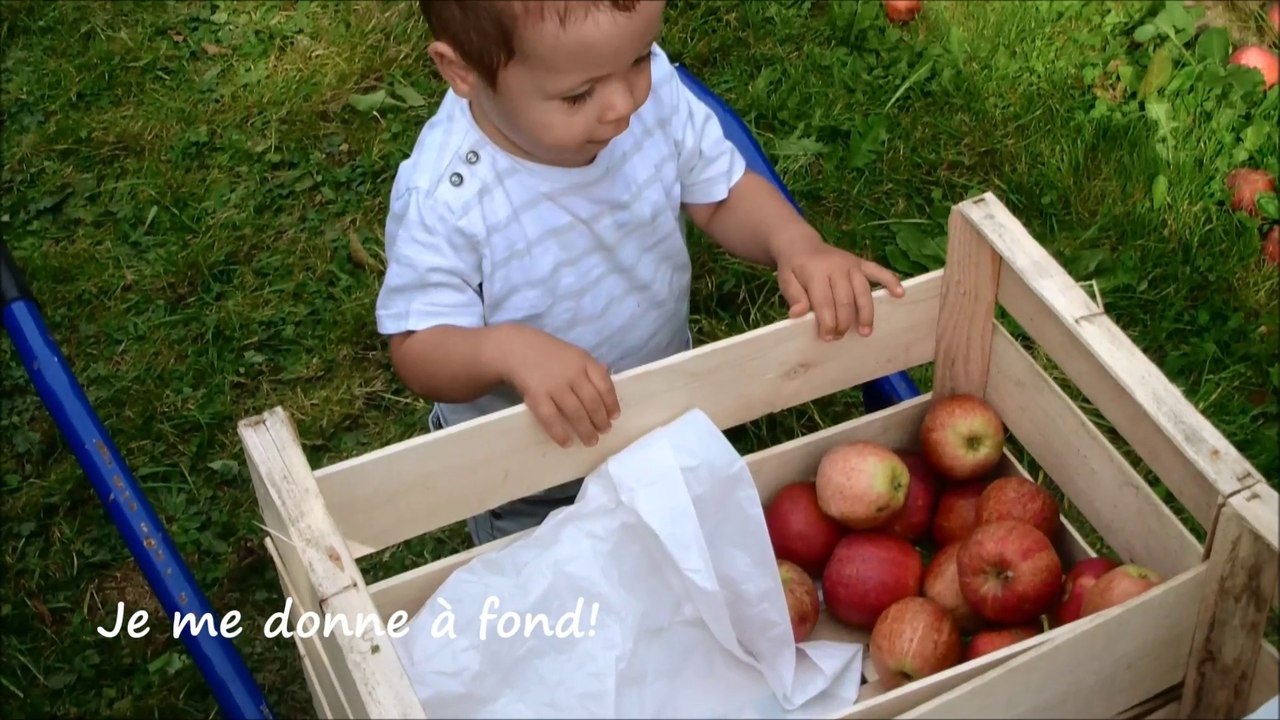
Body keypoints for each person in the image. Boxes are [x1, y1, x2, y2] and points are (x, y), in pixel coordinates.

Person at [374, 0, 906, 547]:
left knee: (676, 550)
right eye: (578, 95)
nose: (623, 104)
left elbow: (720, 194)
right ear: (463, 70)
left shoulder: (640, 94)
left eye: (640, 58)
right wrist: (506, 351)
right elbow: (419, 346)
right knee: (563, 583)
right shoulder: (446, 201)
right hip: (535, 476)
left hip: (660, 415)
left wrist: (794, 242)